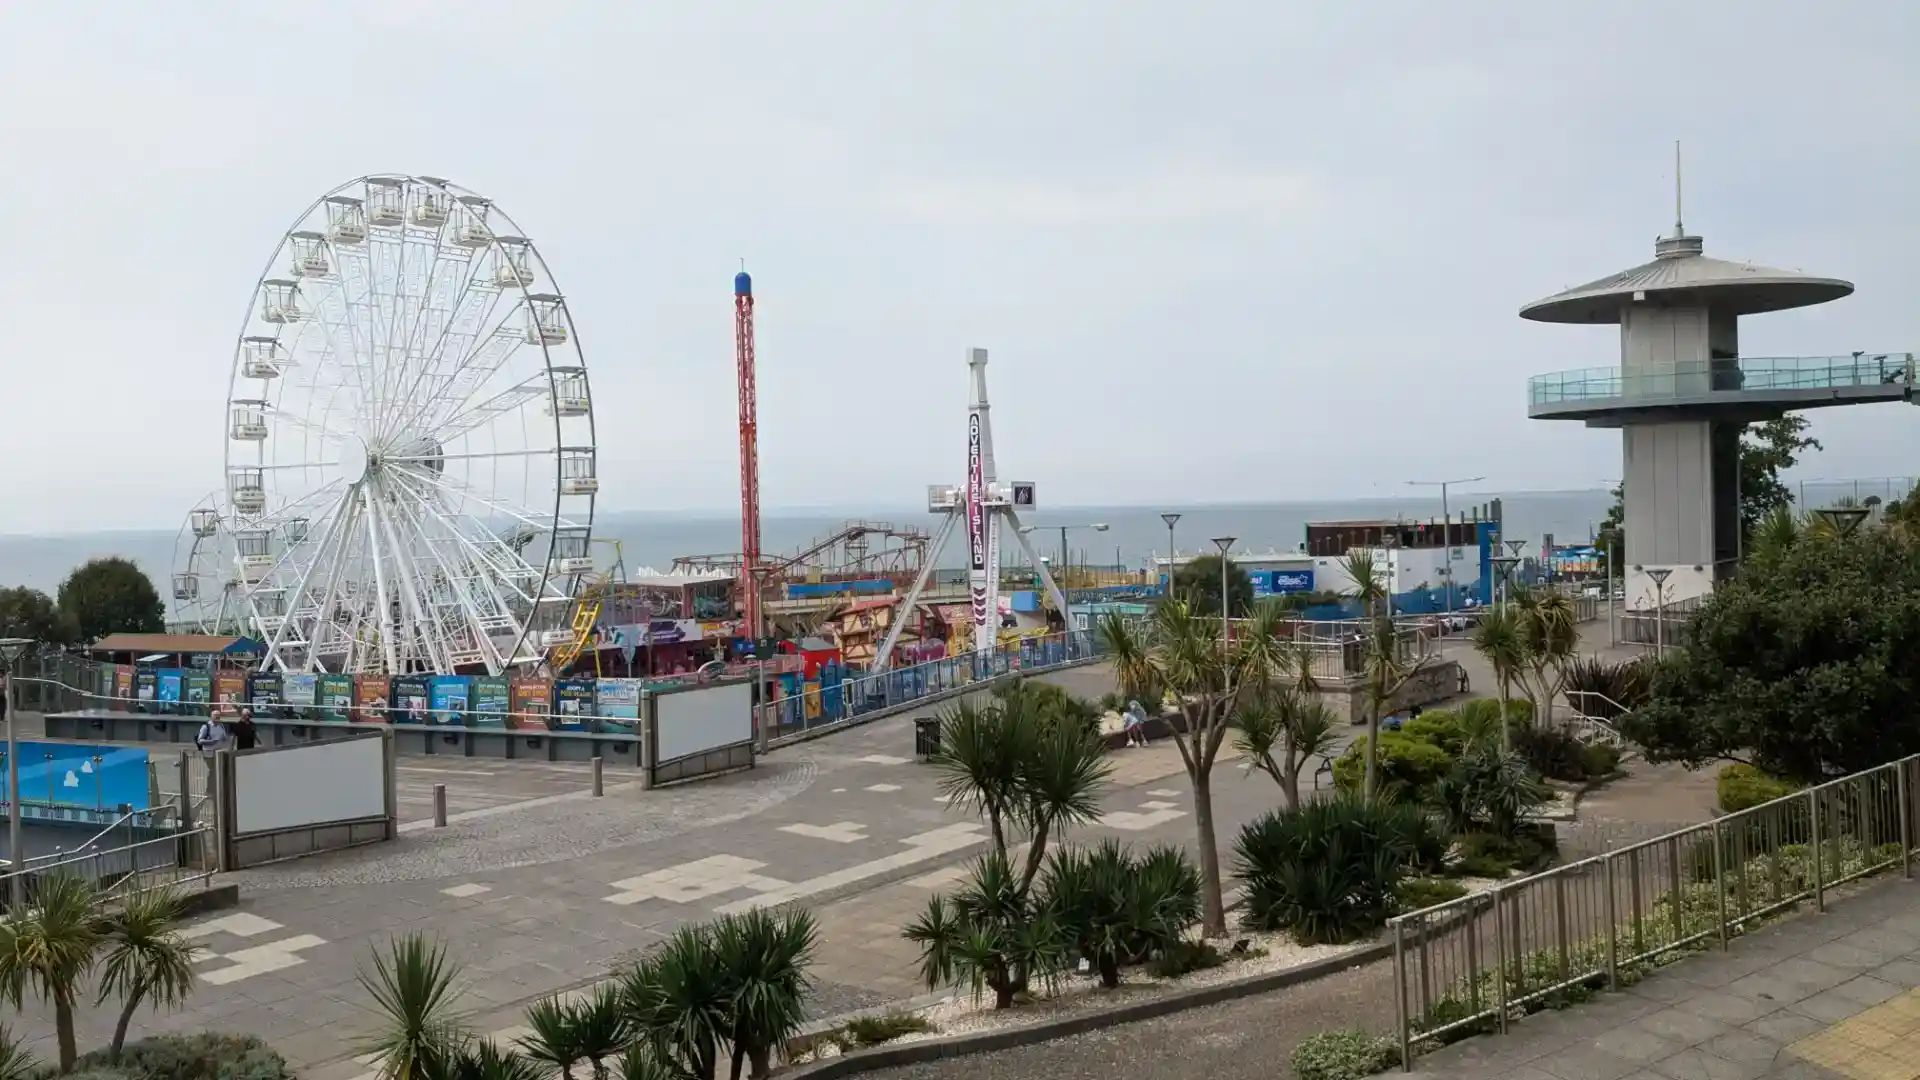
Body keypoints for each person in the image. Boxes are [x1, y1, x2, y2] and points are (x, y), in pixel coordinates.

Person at [195, 713, 232, 796]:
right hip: (208, 752)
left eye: (218, 715)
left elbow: (224, 737)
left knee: (218, 770)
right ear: (211, 716)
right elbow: (200, 740)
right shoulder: (206, 727)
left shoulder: (221, 726)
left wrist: (227, 739)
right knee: (213, 770)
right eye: (215, 715)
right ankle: (209, 790)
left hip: (219, 752)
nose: (217, 717)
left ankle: (217, 788)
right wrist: (211, 742)